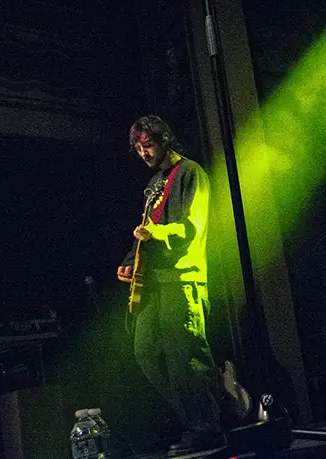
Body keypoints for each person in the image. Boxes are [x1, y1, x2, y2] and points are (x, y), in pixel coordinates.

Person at [117, 116, 226, 458]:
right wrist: (131, 261)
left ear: (166, 140)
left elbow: (191, 227)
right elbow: (149, 232)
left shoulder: (190, 173)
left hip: (183, 278)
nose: (143, 152)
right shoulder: (155, 183)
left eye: (147, 144)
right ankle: (204, 417)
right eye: (137, 148)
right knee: (146, 351)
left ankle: (208, 427)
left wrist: (157, 234)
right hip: (155, 283)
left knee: (186, 357)